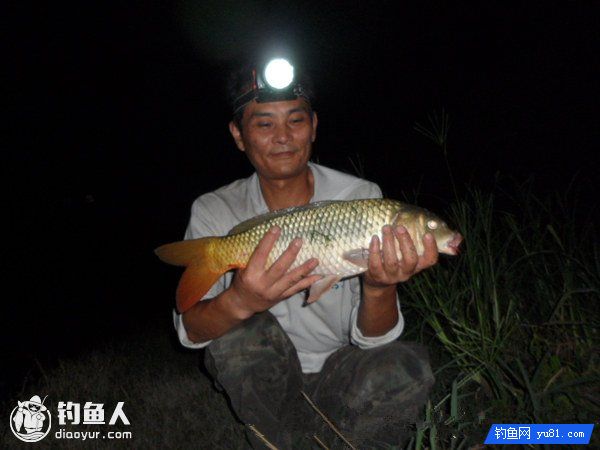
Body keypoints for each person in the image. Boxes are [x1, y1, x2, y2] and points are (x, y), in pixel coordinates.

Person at [173, 58, 437, 448]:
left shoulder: (361, 198)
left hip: (340, 364)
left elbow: (376, 344)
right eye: (264, 123)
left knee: (407, 366)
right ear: (238, 134)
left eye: (295, 121)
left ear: (314, 126)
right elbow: (192, 330)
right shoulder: (215, 210)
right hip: (268, 374)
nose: (283, 136)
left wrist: (380, 288)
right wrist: (242, 300)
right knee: (238, 337)